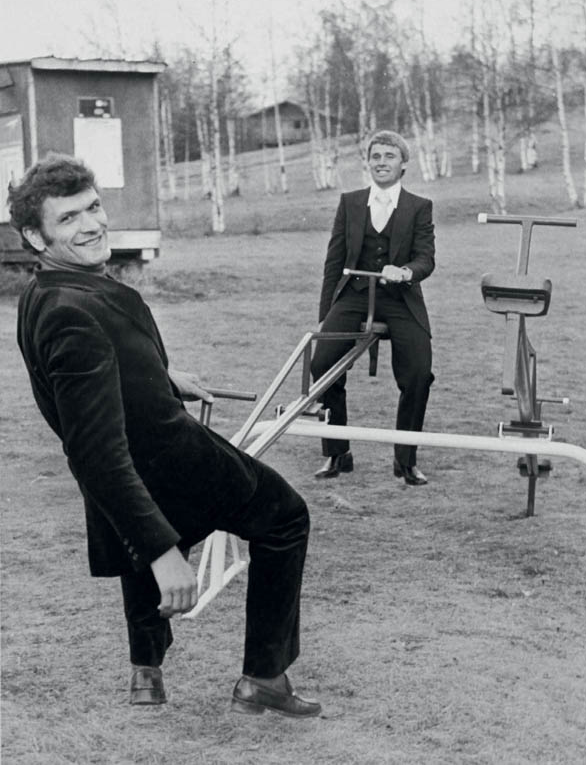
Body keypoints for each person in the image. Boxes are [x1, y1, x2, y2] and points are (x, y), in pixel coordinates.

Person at [10, 153, 321, 718]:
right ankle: (264, 678)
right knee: (284, 517)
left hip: (140, 457)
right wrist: (161, 551)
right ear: (35, 235)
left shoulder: (48, 290)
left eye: (94, 207)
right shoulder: (70, 313)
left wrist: (163, 376)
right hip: (164, 456)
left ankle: (145, 672)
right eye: (69, 219)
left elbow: (97, 371)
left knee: (136, 532)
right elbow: (96, 452)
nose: (92, 224)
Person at [311, 130, 435, 486]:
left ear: (403, 164)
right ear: (369, 163)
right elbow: (333, 262)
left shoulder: (419, 206)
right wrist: (326, 315)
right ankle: (338, 453)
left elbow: (426, 258)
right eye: (376, 156)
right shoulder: (350, 202)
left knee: (418, 374)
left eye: (389, 156)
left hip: (399, 298)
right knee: (322, 364)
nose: (382, 163)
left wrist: (406, 271)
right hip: (353, 295)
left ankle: (406, 459)